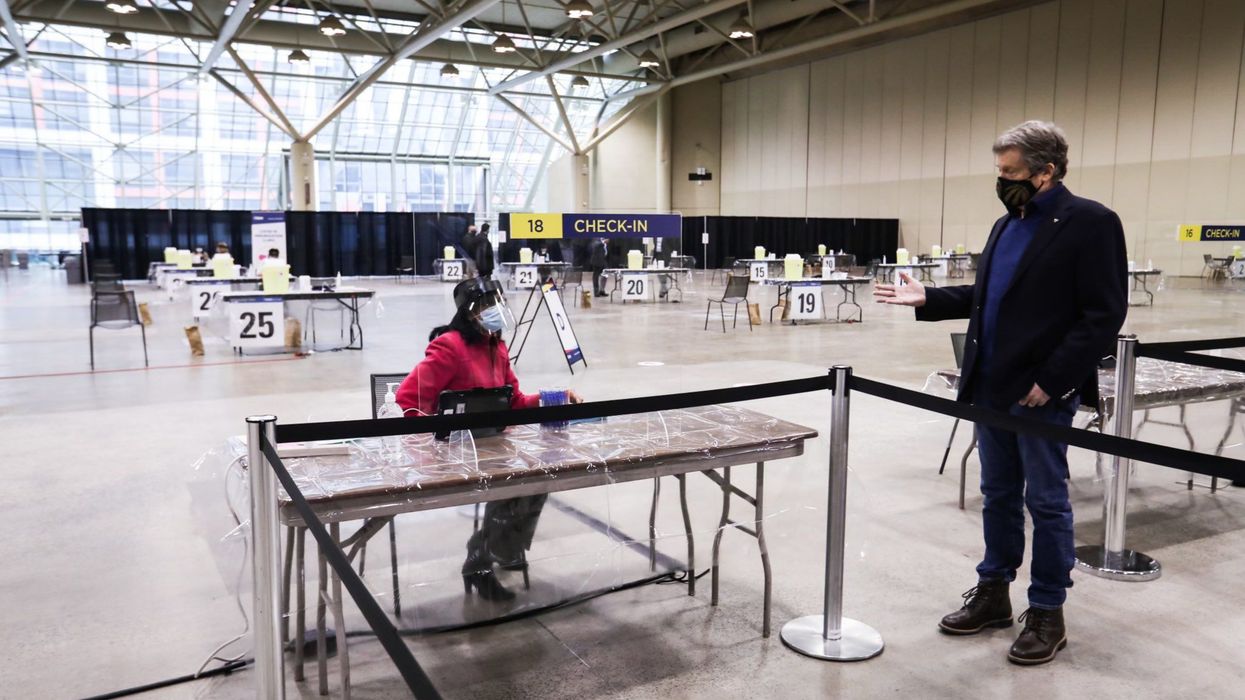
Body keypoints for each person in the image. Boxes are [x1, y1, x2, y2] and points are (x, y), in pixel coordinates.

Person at [874, 120, 1127, 666]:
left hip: (1039, 394)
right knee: (999, 495)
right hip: (989, 385)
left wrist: (1052, 380)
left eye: (1010, 172)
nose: (1002, 180)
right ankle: (993, 593)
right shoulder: (1005, 223)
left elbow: (1102, 315)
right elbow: (990, 294)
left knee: (1047, 502)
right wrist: (930, 297)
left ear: (1047, 171)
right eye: (1000, 172)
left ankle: (1047, 610)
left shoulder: (1092, 223)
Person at [395, 278, 583, 601]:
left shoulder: (498, 346)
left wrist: (553, 396)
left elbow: (514, 402)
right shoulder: (450, 347)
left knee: (541, 475)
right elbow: (407, 398)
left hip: (493, 444)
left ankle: (497, 548)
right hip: (457, 450)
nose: (493, 311)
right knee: (510, 483)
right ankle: (482, 557)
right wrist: (433, 439)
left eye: (496, 303)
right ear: (470, 314)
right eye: (485, 305)